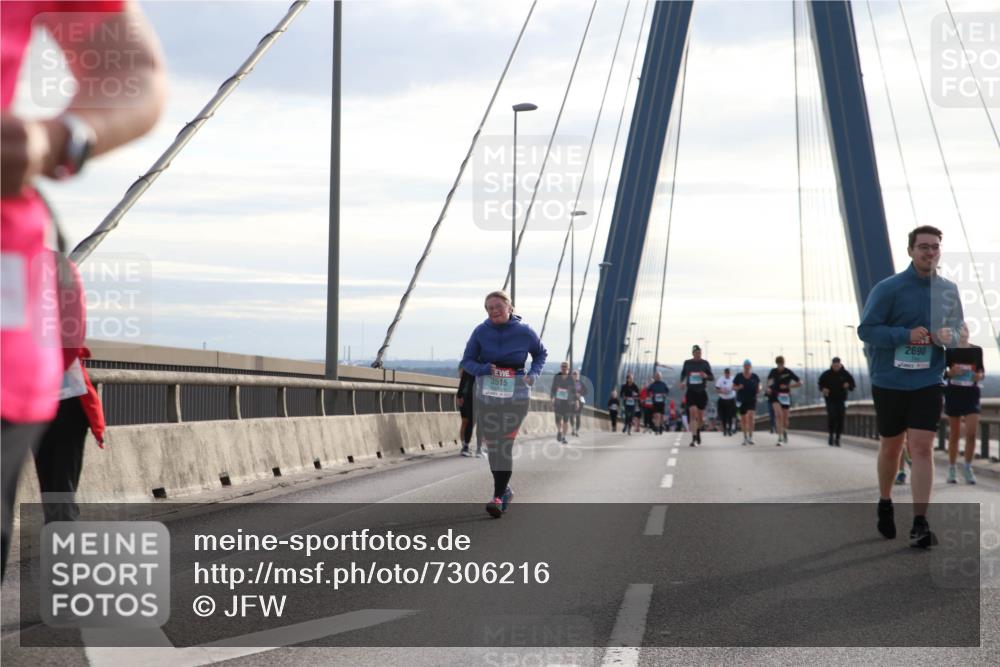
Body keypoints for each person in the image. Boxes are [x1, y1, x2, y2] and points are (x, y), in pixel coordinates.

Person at [1, 1, 166, 576]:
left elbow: (134, 73)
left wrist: (54, 138)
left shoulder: (55, 272)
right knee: (59, 500)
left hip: (35, 382)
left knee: (59, 500)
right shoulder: (59, 272)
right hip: (52, 389)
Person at [858, 225, 964, 548]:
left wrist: (951, 337)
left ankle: (920, 521)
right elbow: (867, 330)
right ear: (910, 251)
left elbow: (960, 332)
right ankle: (886, 500)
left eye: (935, 247)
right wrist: (904, 335)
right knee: (891, 446)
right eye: (923, 247)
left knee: (921, 447)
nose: (929, 252)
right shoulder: (887, 289)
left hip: (927, 380)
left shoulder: (948, 290)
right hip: (889, 380)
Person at [462, 290, 546, 518]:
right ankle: (505, 490)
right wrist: (482, 369)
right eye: (489, 308)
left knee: (504, 444)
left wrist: (533, 374)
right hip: (488, 392)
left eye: (498, 306)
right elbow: (466, 361)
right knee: (493, 445)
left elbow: (540, 354)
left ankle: (497, 497)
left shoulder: (524, 331)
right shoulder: (481, 331)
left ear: (510, 307)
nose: (494, 311)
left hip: (516, 392)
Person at [943, 329, 983, 485]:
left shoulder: (976, 350)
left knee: (972, 433)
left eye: (965, 329)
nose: (963, 332)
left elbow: (981, 370)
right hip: (954, 393)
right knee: (955, 433)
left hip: (971, 394)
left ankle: (967, 467)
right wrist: (950, 373)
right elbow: (942, 372)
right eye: (959, 330)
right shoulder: (950, 350)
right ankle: (952, 468)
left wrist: (979, 376)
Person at [679, 345, 714, 446]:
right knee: (693, 414)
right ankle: (693, 438)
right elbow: (683, 375)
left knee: (700, 418)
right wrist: (682, 382)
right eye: (697, 353)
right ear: (693, 353)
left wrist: (706, 376)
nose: (698, 355)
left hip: (702, 392)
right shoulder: (687, 363)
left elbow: (712, 377)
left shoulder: (705, 363)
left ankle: (698, 431)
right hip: (691, 392)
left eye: (700, 353)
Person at [818, 357, 856, 446]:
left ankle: (838, 438)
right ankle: (831, 435)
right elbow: (820, 384)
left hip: (841, 400)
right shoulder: (826, 374)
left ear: (840, 365)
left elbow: (852, 385)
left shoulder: (845, 374)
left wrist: (848, 385)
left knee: (840, 418)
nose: (836, 367)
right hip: (830, 399)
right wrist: (823, 389)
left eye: (837, 366)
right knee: (832, 416)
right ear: (832, 365)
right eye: (834, 365)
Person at [766, 356, 801, 446]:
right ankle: (779, 438)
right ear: (776, 363)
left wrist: (788, 387)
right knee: (778, 415)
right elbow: (769, 382)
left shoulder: (788, 372)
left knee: (785, 420)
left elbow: (800, 382)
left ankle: (784, 431)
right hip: (775, 395)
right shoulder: (773, 371)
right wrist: (769, 388)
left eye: (781, 363)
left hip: (785, 396)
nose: (780, 365)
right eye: (778, 363)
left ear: (784, 363)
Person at [732, 360, 761, 445]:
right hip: (741, 400)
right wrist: (738, 387)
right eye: (745, 365)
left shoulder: (755, 376)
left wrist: (759, 388)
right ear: (743, 366)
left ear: (750, 366)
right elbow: (733, 387)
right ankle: (745, 437)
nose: (747, 367)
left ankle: (751, 437)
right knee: (744, 419)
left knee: (751, 417)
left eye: (748, 365)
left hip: (752, 399)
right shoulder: (739, 376)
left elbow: (760, 384)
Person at [456, 367, 481, 457]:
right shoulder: (469, 365)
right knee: (469, 421)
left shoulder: (485, 363)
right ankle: (466, 446)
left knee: (472, 422)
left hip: (477, 396)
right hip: (470, 396)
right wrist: (459, 395)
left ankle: (471, 447)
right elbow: (463, 381)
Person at [550, 362, 575, 443]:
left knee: (565, 420)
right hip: (558, 401)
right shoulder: (557, 376)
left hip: (567, 403)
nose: (564, 368)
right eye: (562, 366)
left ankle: (564, 437)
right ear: (561, 367)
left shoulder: (571, 378)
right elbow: (553, 388)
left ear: (568, 368)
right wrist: (552, 398)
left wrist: (576, 400)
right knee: (557, 420)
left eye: (565, 366)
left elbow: (574, 390)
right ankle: (559, 431)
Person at [715, 368, 737, 437]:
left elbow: (736, 387)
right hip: (723, 399)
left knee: (730, 416)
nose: (727, 374)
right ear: (724, 373)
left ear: (730, 373)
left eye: (728, 373)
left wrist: (733, 389)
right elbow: (717, 389)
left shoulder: (733, 379)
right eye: (726, 373)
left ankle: (730, 429)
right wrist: (722, 391)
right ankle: (724, 429)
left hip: (731, 399)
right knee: (723, 416)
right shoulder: (721, 379)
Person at [571, 369, 586, 437]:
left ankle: (576, 430)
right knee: (571, 415)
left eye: (576, 374)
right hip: (571, 401)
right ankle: (573, 429)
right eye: (574, 374)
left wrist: (580, 394)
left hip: (579, 401)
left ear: (578, 376)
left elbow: (585, 391)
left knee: (577, 416)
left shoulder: (578, 383)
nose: (575, 375)